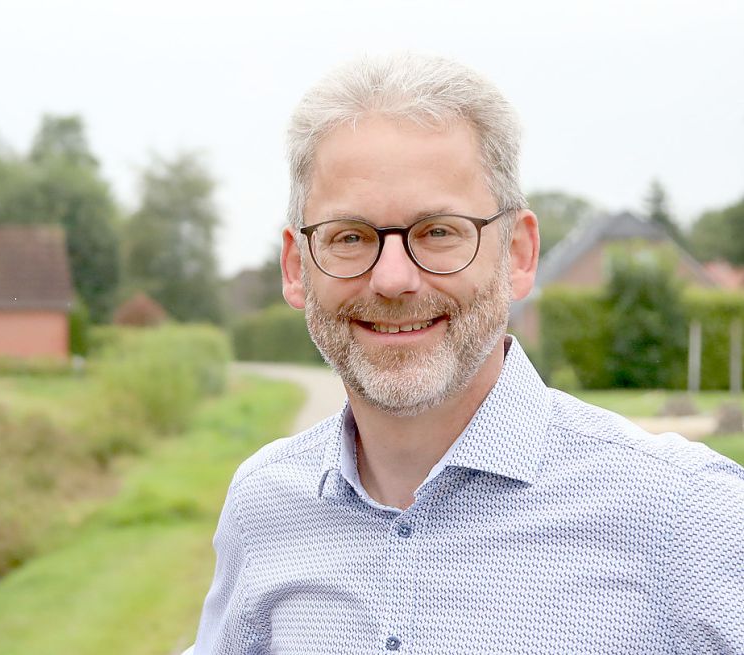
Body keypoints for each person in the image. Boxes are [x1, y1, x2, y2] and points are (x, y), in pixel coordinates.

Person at [191, 53, 744, 654]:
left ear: (519, 254)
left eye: (439, 232)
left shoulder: (692, 519)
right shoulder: (264, 506)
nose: (394, 279)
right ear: (296, 268)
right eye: (350, 237)